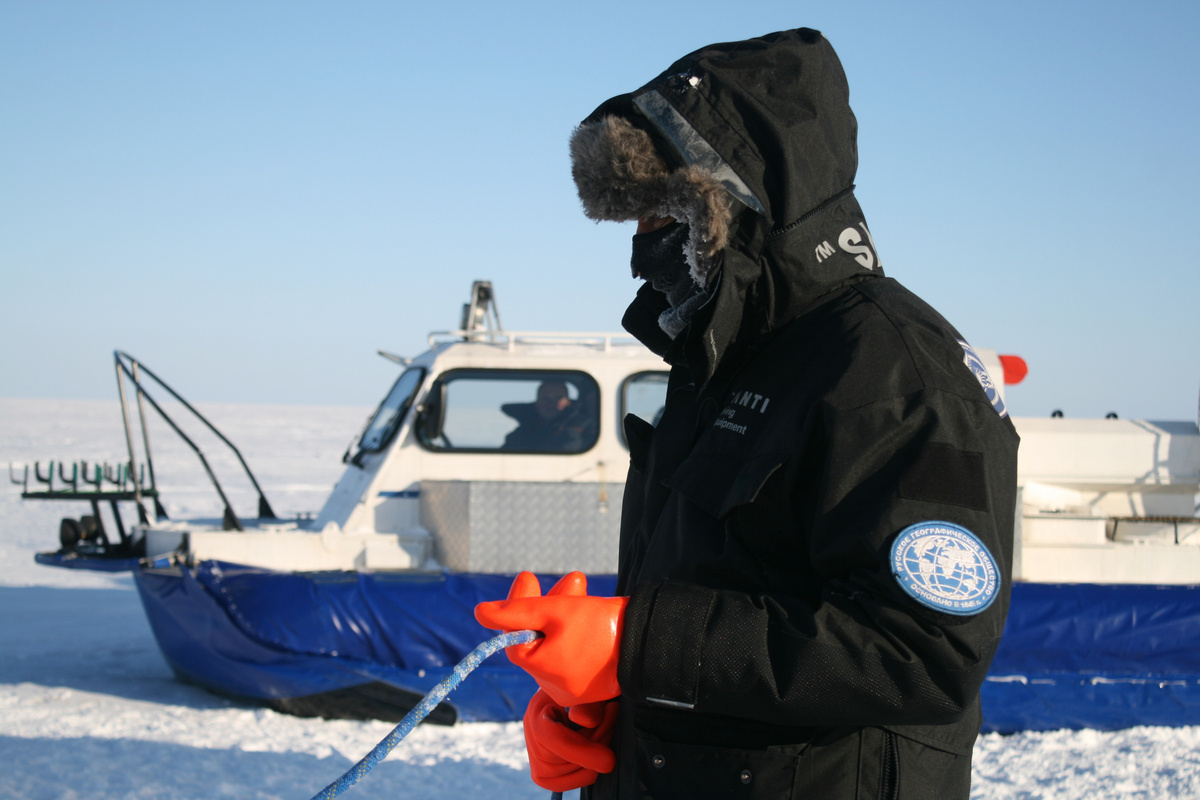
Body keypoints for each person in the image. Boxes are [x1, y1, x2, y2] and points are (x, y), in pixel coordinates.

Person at [477, 27, 1018, 800]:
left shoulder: (898, 374)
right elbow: (726, 600)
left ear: (742, 204)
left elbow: (925, 648)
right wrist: (606, 711)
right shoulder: (724, 364)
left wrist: (634, 643)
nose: (640, 249)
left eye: (662, 216)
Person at [502, 380, 581, 451]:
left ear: (568, 402)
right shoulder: (525, 430)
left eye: (558, 398)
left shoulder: (582, 426)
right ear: (536, 404)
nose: (551, 404)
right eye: (545, 399)